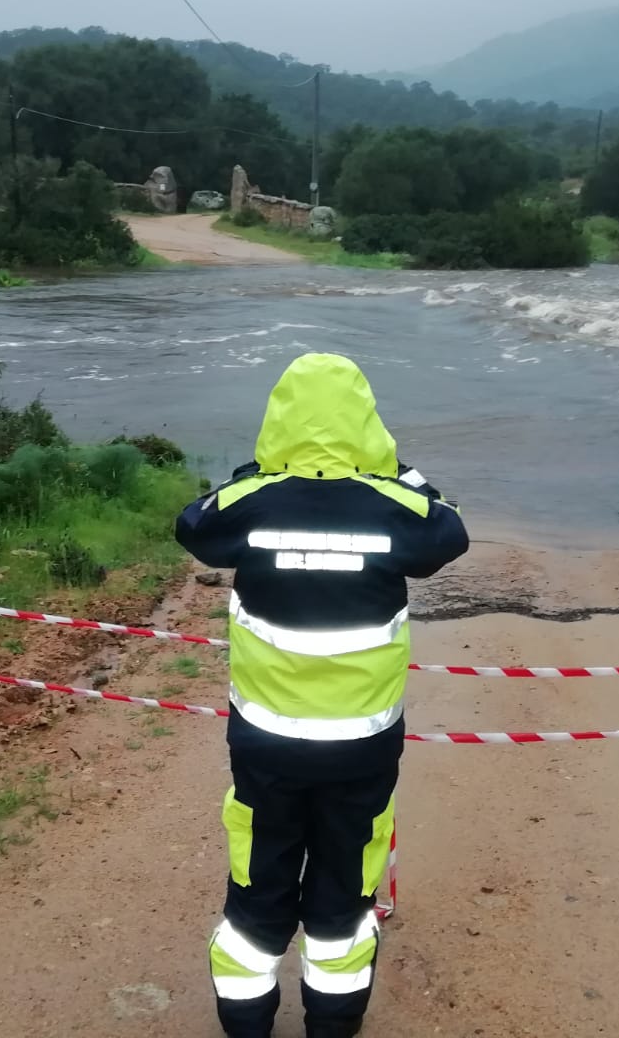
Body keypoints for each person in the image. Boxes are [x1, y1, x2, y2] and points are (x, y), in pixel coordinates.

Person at [176, 352, 470, 1038]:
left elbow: (196, 523)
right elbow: (447, 527)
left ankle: (247, 1024)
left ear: (279, 418)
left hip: (265, 746)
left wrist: (260, 473)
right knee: (343, 896)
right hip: (362, 750)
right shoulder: (398, 511)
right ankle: (333, 1024)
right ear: (366, 422)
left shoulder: (249, 506)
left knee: (257, 885)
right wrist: (396, 472)